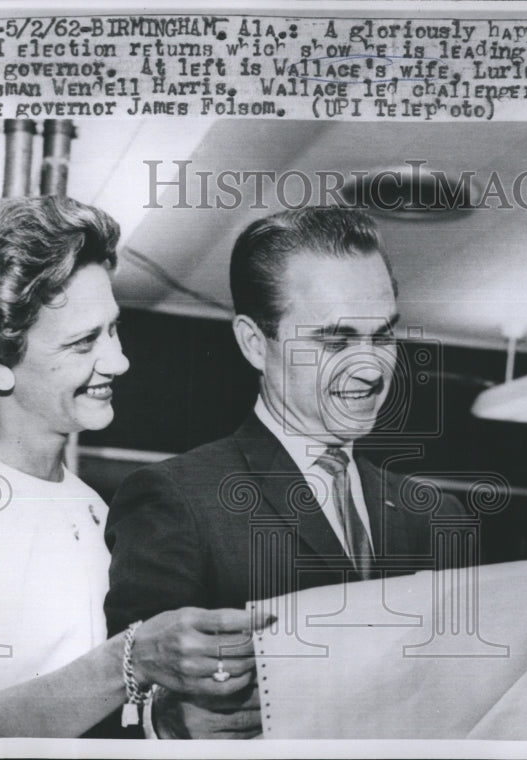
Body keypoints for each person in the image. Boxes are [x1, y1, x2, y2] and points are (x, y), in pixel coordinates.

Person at [0, 197, 256, 737]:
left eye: (113, 329)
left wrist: (168, 722)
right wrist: (134, 658)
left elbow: (82, 709)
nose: (119, 361)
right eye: (83, 343)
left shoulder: (89, 505)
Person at [105, 205, 468, 738]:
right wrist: (168, 722)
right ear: (255, 342)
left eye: (384, 336)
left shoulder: (438, 516)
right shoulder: (177, 500)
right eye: (335, 340)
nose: (370, 369)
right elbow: (127, 700)